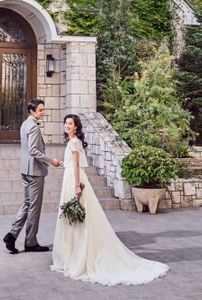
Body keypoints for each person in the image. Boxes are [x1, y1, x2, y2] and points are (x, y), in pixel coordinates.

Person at [51, 113, 168, 285]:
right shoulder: (73, 141)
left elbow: (76, 164)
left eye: (70, 123)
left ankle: (78, 255)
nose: (67, 125)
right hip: (71, 175)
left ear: (76, 127)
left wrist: (77, 186)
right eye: (65, 123)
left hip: (74, 180)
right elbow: (72, 163)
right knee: (74, 215)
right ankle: (73, 254)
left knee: (78, 215)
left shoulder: (74, 142)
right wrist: (63, 163)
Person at [3, 98, 62, 254]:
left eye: (43, 109)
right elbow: (33, 150)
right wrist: (51, 160)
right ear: (32, 111)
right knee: (34, 207)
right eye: (40, 110)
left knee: (27, 204)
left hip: (25, 169)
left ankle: (11, 235)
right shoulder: (34, 127)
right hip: (35, 172)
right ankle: (30, 242)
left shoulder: (25, 124)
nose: (43, 112)